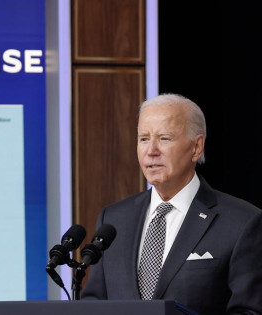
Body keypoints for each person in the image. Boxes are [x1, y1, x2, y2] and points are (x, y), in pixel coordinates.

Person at [81, 94, 262, 314]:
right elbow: (94, 304)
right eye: (144, 138)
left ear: (196, 147)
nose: (151, 151)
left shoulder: (241, 222)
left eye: (164, 138)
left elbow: (249, 311)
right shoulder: (114, 219)